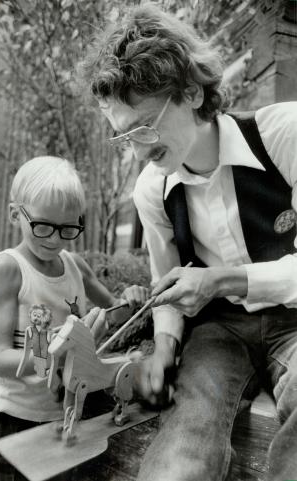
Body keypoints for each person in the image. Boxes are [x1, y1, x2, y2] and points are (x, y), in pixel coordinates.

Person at [81, 3, 297, 481]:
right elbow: (165, 290)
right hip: (220, 334)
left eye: (144, 126)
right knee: (185, 444)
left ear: (192, 92)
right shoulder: (150, 191)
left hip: (295, 321)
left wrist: (221, 279)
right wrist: (162, 348)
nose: (138, 150)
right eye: (124, 137)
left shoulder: (284, 133)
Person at [0, 155, 149, 481]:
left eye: (67, 228)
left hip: (65, 419)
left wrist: (132, 297)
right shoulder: (8, 268)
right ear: (16, 214)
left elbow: (115, 311)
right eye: (42, 226)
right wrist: (57, 352)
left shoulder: (75, 266)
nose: (55, 239)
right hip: (14, 420)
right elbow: (0, 360)